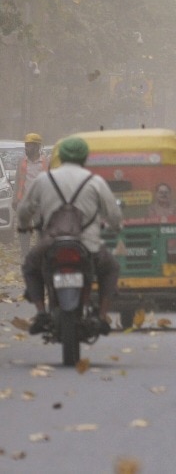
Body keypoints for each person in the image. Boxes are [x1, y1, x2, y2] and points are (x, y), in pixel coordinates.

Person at [17, 137, 123, 335]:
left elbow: (24, 211)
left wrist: (23, 227)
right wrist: (116, 227)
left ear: (61, 156)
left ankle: (41, 312)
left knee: (31, 266)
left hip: (50, 244)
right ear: (85, 157)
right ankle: (101, 316)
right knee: (111, 268)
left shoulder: (43, 180)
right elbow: (114, 215)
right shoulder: (95, 181)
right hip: (88, 246)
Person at [15, 133, 50, 258]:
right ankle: (25, 255)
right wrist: (15, 200)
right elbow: (17, 180)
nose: (26, 148)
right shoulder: (22, 161)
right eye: (26, 145)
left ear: (37, 146)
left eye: (29, 145)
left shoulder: (46, 162)